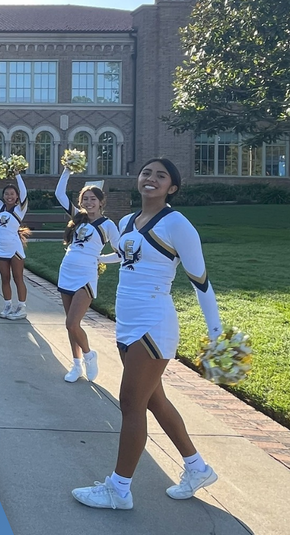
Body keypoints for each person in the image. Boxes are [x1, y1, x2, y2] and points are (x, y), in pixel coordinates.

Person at [72, 158, 223, 510]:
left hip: (154, 323)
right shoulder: (127, 221)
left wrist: (216, 332)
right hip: (126, 323)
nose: (151, 178)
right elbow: (128, 255)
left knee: (130, 404)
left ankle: (119, 489)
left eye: (161, 175)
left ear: (172, 187)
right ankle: (197, 468)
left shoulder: (177, 224)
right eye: (146, 173)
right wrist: (99, 259)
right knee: (154, 401)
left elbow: (201, 281)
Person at [54, 170, 120, 382]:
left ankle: (89, 355)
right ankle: (76, 365)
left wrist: (100, 259)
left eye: (93, 199)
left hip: (86, 276)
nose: (89, 203)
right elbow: (59, 194)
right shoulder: (78, 218)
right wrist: (67, 170)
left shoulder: (108, 225)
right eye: (85, 199)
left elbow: (121, 253)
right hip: (67, 271)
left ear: (101, 202)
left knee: (73, 323)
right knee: (70, 324)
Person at [0, 173, 29, 320]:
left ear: (17, 196)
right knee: (5, 278)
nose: (9, 196)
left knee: (18, 278)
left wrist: (17, 175)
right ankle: (7, 305)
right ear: (3, 196)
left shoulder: (19, 209)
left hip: (14, 249)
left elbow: (24, 192)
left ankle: (22, 307)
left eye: (12, 194)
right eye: (6, 194)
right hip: (1, 248)